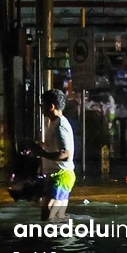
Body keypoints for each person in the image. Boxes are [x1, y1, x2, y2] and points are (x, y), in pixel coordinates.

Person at [32, 89, 76, 221]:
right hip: (55, 176)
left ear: (51, 106)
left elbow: (65, 153)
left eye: (43, 104)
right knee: (54, 216)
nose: (41, 108)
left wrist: (42, 153)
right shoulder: (54, 123)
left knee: (49, 215)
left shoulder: (60, 125)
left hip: (61, 176)